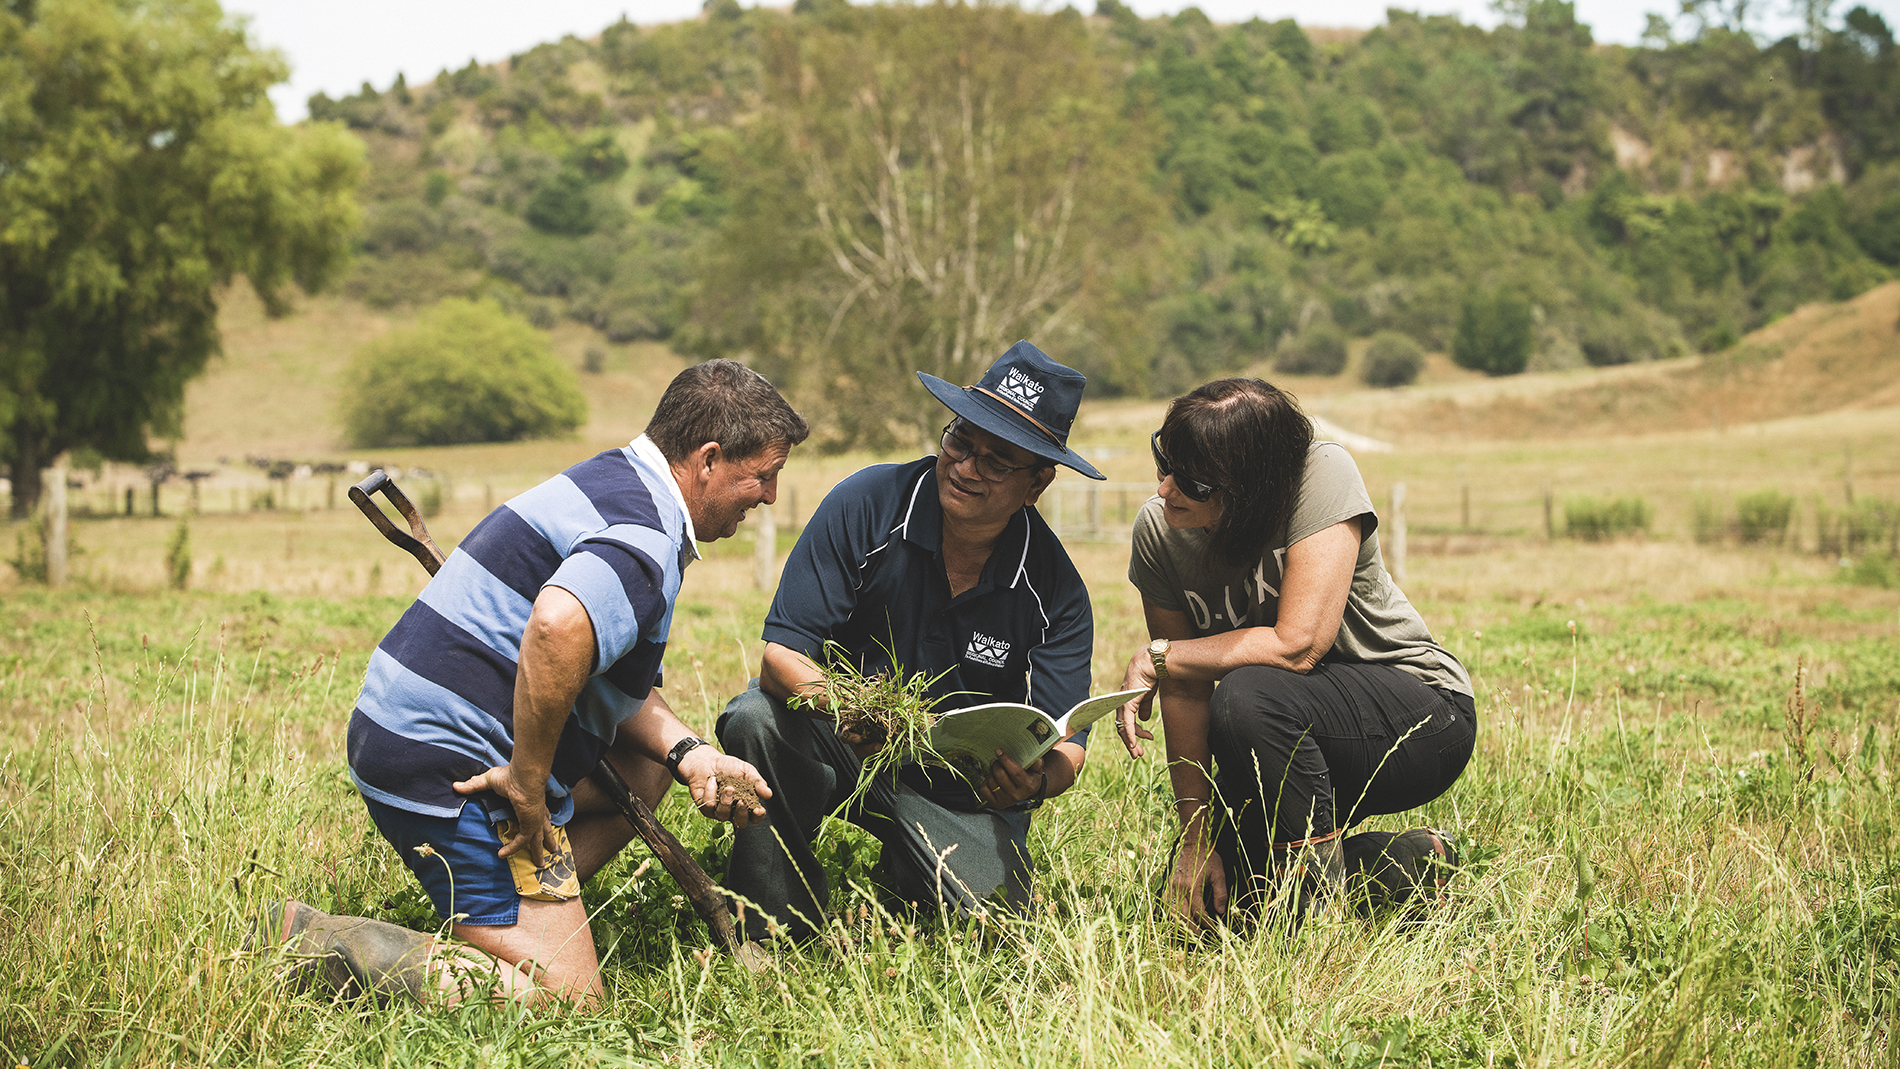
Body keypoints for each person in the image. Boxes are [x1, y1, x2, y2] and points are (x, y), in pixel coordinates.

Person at [256, 360, 808, 1007]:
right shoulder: (645, 536)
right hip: (444, 759)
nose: (770, 495)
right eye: (764, 476)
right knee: (568, 1002)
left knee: (646, 767)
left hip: (402, 726)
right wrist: (525, 779)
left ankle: (514, 910)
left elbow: (614, 691)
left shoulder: (617, 483)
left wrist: (694, 754)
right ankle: (319, 944)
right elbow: (556, 626)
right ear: (709, 459)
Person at [717, 340, 1105, 941]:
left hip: (960, 783)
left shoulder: (1055, 590)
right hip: (845, 732)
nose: (967, 467)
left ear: (1038, 484)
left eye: (998, 462)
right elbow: (781, 657)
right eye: (961, 440)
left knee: (995, 930)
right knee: (755, 719)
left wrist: (1037, 781)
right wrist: (862, 709)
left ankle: (909, 873)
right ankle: (773, 927)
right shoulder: (867, 503)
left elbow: (1067, 740)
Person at [1114, 378, 1475, 928]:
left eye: (1190, 480)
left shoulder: (1319, 474)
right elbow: (1187, 687)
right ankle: (1409, 863)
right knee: (1218, 902)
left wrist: (1158, 656)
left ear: (1251, 488)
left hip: (1418, 713)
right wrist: (1194, 837)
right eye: (1163, 462)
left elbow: (1297, 646)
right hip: (1279, 732)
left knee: (1247, 691)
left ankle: (1316, 910)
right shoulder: (1159, 533)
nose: (1165, 488)